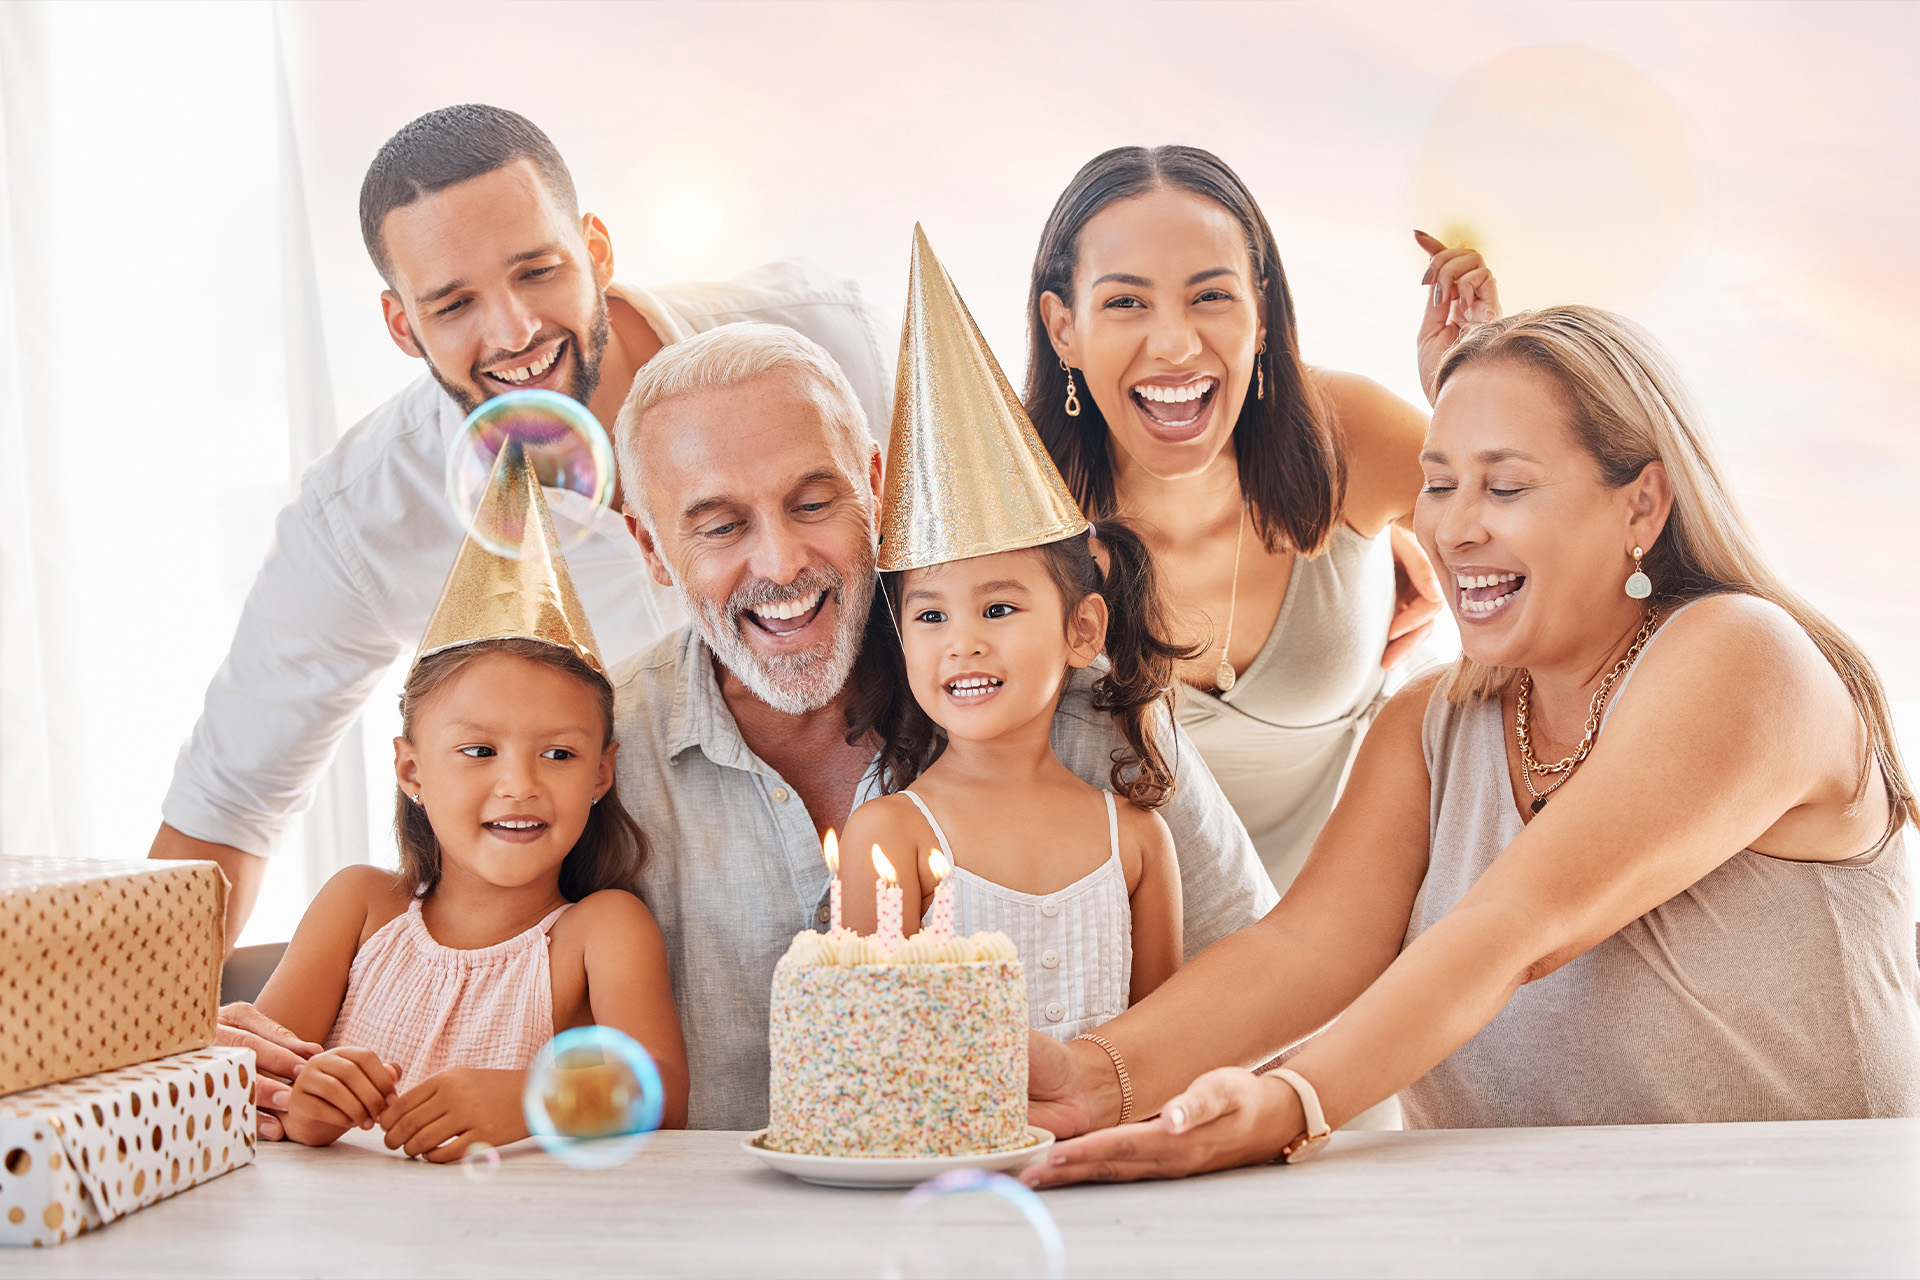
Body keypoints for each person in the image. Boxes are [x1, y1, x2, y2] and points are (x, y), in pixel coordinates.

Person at [1022, 306, 1920, 1187]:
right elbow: (1303, 951)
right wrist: (1091, 1079)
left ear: (1643, 504)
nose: (1453, 530)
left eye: (1506, 485)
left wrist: (1295, 1103)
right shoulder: (1428, 727)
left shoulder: (1744, 656)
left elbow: (1515, 928)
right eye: (1439, 484)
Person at [150, 104, 893, 951]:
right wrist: (142, 1051)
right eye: (454, 302)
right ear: (402, 324)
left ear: (597, 250)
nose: (513, 332)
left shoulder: (830, 338)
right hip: (625, 974)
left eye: (538, 271)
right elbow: (228, 808)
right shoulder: (361, 515)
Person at [609, 318, 1275, 1129]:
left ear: (876, 488)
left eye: (815, 502)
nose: (782, 564)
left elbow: (1257, 984)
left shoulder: (1081, 707)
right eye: (720, 527)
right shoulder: (601, 751)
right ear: (649, 547)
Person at [1027, 145, 1497, 896]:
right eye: (1125, 302)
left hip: (1367, 922)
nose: (1176, 344)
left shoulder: (1350, 435)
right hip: (1127, 958)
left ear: (1264, 316)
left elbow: (1550, 556)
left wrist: (1470, 388)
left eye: (1211, 296)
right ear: (1063, 329)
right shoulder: (1011, 515)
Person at [256, 454, 687, 1158]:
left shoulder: (599, 930)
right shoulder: (358, 907)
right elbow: (252, 1071)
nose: (519, 784)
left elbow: (664, 1091)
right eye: (480, 752)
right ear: (410, 769)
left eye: (559, 754)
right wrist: (301, 1101)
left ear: (603, 773)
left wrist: (531, 1098)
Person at [839, 228, 1186, 1038]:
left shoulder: (1136, 841)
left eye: (998, 609)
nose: (962, 642)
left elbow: (1165, 1044)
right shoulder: (888, 839)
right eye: (931, 615)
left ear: (1082, 628)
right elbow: (865, 1058)